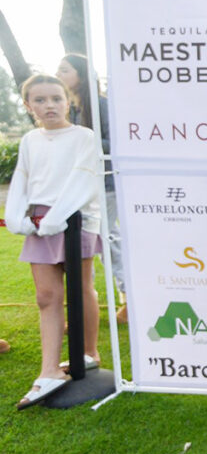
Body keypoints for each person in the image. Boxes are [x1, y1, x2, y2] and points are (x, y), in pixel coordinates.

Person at [5, 74, 104, 409]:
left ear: (68, 100)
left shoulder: (84, 137)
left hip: (75, 220)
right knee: (46, 296)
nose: (50, 105)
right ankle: (49, 369)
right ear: (29, 105)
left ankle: (89, 352)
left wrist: (58, 215)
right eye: (41, 100)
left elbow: (85, 179)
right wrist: (18, 215)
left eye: (56, 98)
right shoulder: (31, 140)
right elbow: (23, 176)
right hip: (40, 224)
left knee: (81, 287)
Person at [56, 53, 126, 323]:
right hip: (78, 186)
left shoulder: (100, 105)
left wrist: (84, 141)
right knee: (92, 243)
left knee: (107, 240)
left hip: (104, 183)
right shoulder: (69, 107)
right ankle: (88, 307)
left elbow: (116, 143)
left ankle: (129, 299)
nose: (59, 74)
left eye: (64, 70)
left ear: (81, 74)